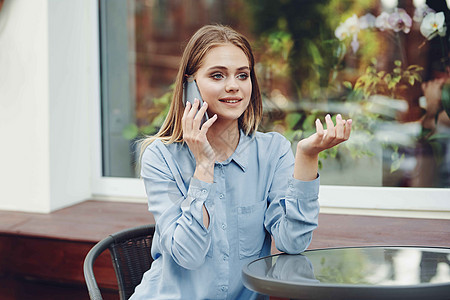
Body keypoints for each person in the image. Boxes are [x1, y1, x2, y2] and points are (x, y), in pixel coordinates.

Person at [131, 24, 352, 300]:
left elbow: (292, 242)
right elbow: (187, 255)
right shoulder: (160, 157)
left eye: (243, 75)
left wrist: (307, 157)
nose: (233, 86)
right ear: (190, 85)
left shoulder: (272, 152)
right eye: (217, 75)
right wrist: (203, 168)